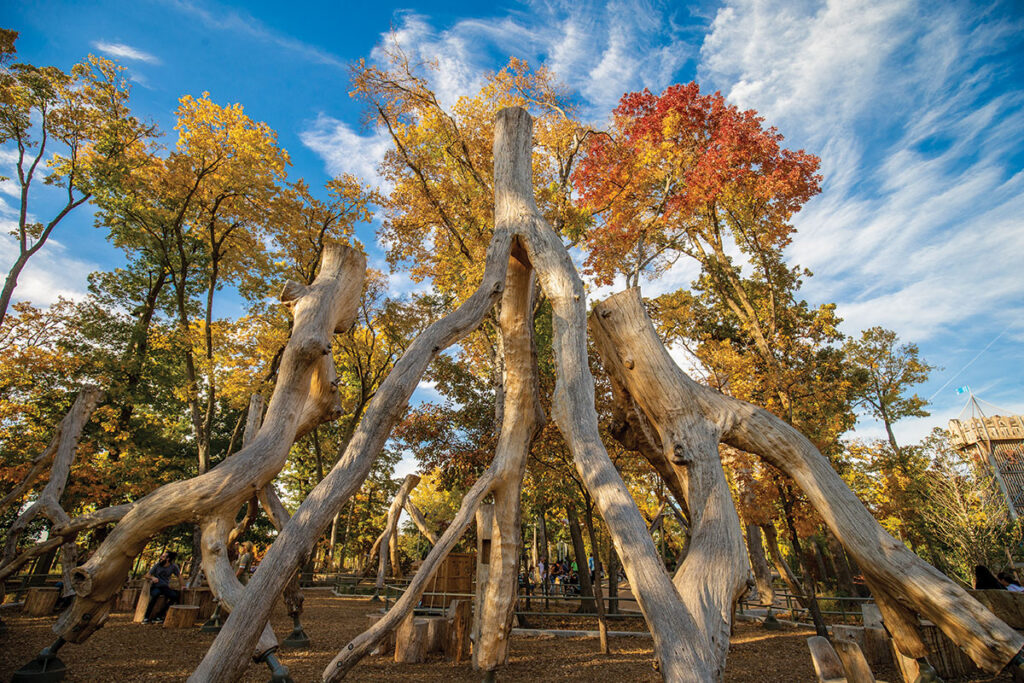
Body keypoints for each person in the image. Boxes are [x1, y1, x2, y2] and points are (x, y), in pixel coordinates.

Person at [143, 550, 181, 623]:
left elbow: (179, 576)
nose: (161, 558)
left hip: (165, 587)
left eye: (163, 557)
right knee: (155, 595)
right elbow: (147, 575)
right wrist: (153, 578)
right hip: (156, 586)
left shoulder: (173, 566)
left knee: (175, 596)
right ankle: (146, 617)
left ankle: (159, 615)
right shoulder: (157, 565)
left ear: (168, 559)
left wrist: (183, 586)